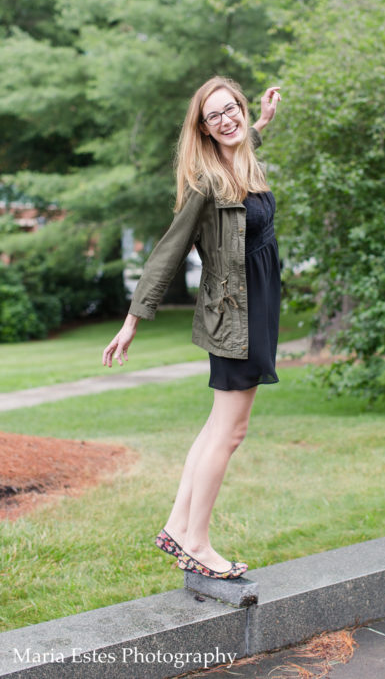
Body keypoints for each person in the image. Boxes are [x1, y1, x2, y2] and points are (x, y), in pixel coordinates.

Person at [102, 77, 282, 580]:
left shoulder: (242, 159)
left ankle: (178, 525)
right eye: (214, 116)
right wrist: (134, 320)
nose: (226, 120)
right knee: (230, 430)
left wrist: (263, 124)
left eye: (232, 110)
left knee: (215, 427)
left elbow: (244, 141)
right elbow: (167, 252)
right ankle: (196, 542)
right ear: (201, 128)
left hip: (255, 307)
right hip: (235, 316)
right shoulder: (207, 183)